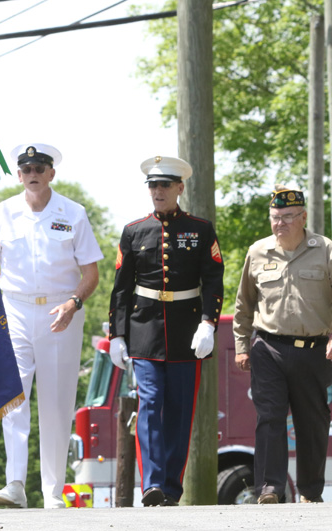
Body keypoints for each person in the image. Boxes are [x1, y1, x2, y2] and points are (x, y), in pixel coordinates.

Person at [0, 144, 103, 509]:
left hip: (61, 311)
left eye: (40, 167)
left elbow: (91, 272)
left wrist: (74, 302)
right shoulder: (2, 213)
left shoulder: (73, 213)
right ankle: (15, 484)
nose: (33, 173)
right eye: (26, 168)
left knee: (55, 403)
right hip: (15, 310)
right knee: (13, 399)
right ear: (18, 175)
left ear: (52, 173)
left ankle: (53, 491)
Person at [108, 156, 223, 506]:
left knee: (179, 409)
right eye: (153, 185)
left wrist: (208, 323)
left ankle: (171, 488)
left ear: (179, 188)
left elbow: (213, 280)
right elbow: (122, 288)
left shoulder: (201, 229)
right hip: (144, 329)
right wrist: (117, 333)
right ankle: (152, 483)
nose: (158, 191)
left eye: (165, 185)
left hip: (187, 328)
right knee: (151, 402)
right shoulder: (134, 231)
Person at [232, 188, 332, 504]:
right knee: (270, 417)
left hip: (314, 350)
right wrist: (241, 345)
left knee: (313, 422)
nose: (281, 223)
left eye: (288, 217)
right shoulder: (257, 252)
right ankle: (270, 489)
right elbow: (243, 304)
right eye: (276, 217)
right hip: (268, 348)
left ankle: (310, 491)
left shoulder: (325, 249)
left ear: (303, 218)